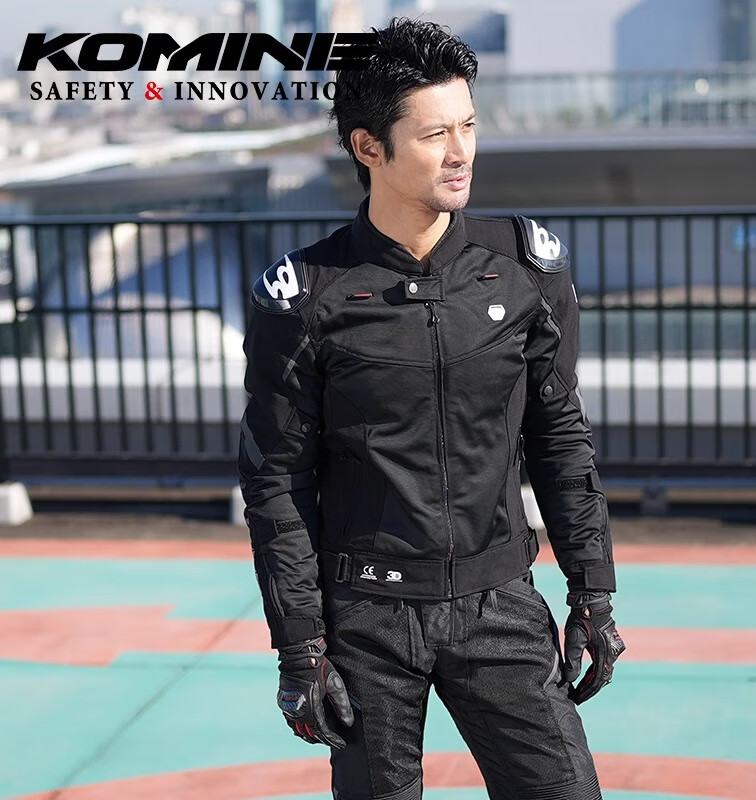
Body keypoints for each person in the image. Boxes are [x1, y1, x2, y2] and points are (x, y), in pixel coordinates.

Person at [238, 16, 625, 800]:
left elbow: (560, 438)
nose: (461, 153)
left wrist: (592, 591)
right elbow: (276, 480)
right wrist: (301, 646)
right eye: (434, 134)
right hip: (367, 620)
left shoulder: (525, 270)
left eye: (468, 126)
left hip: (501, 604)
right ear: (369, 147)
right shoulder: (305, 296)